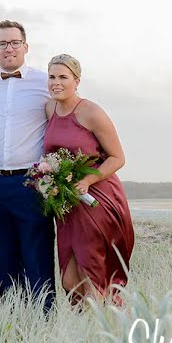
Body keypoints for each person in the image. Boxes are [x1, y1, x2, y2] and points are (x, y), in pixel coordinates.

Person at [43, 54, 134, 305]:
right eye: (52, 77)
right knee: (70, 281)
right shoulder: (49, 108)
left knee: (93, 272)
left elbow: (117, 157)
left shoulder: (91, 112)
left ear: (77, 81)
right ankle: (85, 329)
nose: (56, 82)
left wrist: (87, 181)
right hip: (68, 202)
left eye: (63, 77)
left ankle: (101, 334)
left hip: (96, 198)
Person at [0, 20, 55, 312]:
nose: (8, 49)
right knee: (4, 256)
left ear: (26, 46)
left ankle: (44, 322)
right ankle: (13, 319)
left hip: (31, 182)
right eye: (2, 44)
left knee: (37, 256)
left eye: (14, 43)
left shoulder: (45, 83)